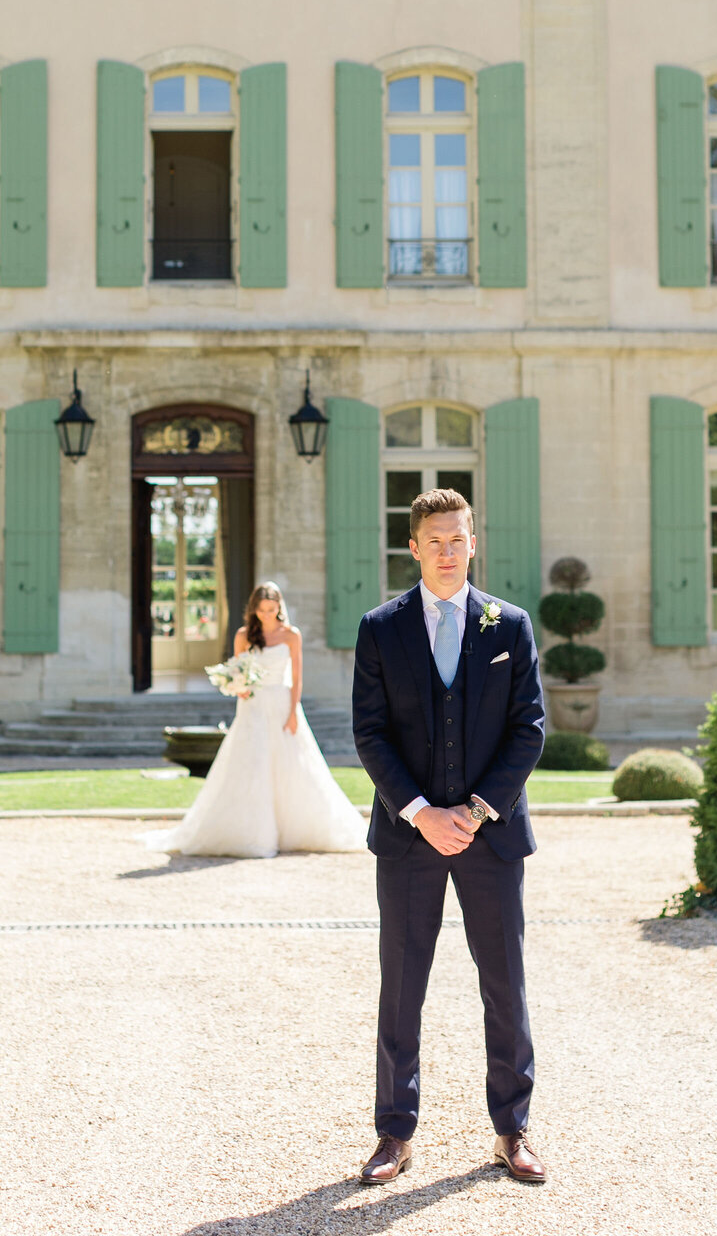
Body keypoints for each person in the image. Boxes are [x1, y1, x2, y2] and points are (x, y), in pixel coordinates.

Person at [352, 489, 547, 1186]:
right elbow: (369, 733)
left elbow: (530, 728)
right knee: (402, 985)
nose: (446, 550)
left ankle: (512, 1131)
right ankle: (393, 1134)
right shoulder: (380, 628)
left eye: (457, 538)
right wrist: (419, 812)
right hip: (407, 840)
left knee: (505, 983)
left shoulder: (511, 625)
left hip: (490, 839)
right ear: (412, 547)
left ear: (473, 542)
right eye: (433, 540)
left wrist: (474, 811)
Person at [151, 582, 367, 859]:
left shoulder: (291, 635)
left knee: (291, 766)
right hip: (252, 707)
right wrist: (236, 687)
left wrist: (292, 712)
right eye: (262, 609)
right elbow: (237, 671)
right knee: (249, 765)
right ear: (254, 609)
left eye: (272, 608)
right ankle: (248, 832)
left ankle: (293, 830)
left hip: (281, 704)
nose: (267, 614)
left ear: (279, 607)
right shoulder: (243, 635)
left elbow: (297, 677)